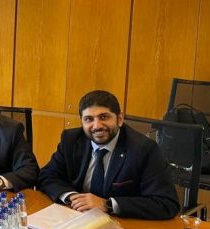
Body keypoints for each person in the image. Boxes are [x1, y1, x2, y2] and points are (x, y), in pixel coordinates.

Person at [38, 90, 179, 220]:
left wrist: (108, 204)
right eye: (89, 119)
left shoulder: (143, 149)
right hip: (77, 220)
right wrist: (73, 197)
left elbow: (166, 203)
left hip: (124, 226)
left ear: (120, 118)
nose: (97, 126)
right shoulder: (71, 140)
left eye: (104, 117)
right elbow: (47, 176)